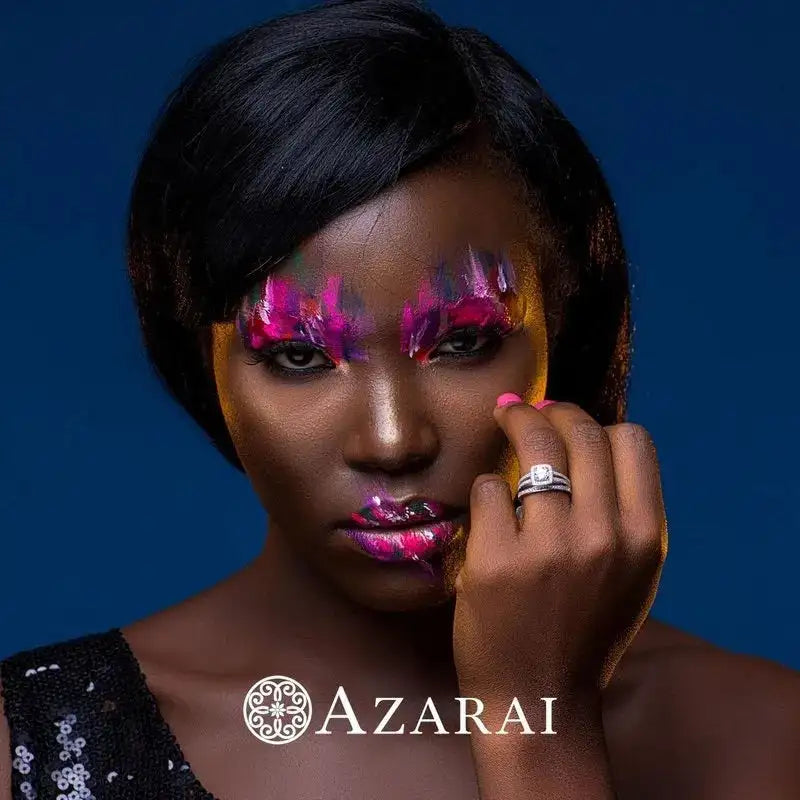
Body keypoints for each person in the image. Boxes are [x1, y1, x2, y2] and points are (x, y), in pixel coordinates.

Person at [2, 1, 798, 797]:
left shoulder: (763, 739)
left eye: (462, 343)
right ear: (200, 364)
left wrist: (536, 727)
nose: (391, 441)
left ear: (566, 326)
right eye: (298, 354)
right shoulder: (26, 749)